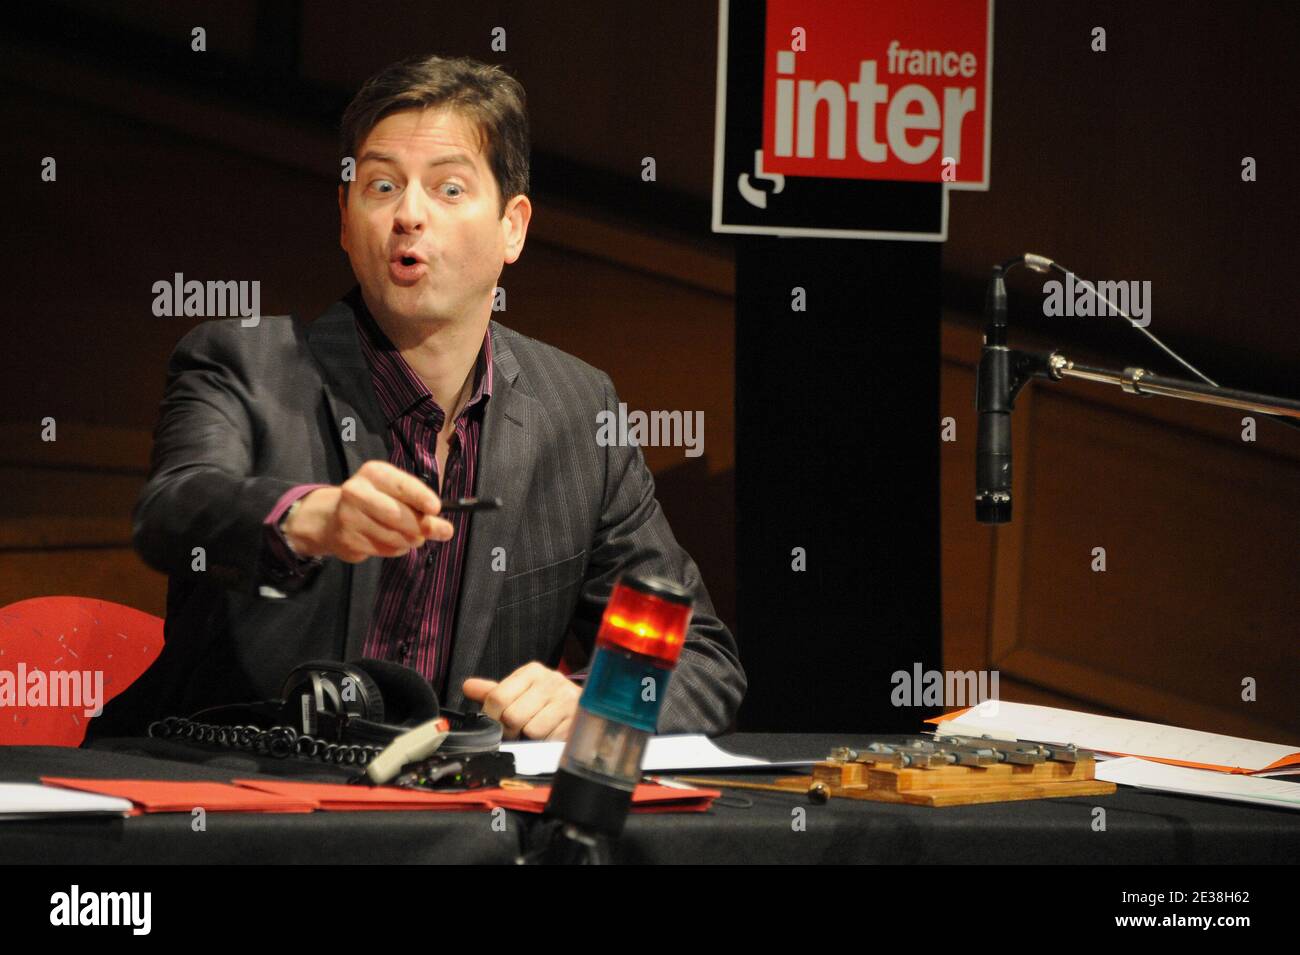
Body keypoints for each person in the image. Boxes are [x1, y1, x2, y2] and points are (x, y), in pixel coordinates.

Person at [85, 54, 744, 744]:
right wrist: (306, 517)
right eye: (380, 186)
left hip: (454, 835)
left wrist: (595, 701)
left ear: (513, 227)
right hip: (239, 811)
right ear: (345, 219)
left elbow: (700, 658)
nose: (409, 215)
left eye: (450, 189)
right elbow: (175, 509)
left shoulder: (578, 411)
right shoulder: (244, 365)